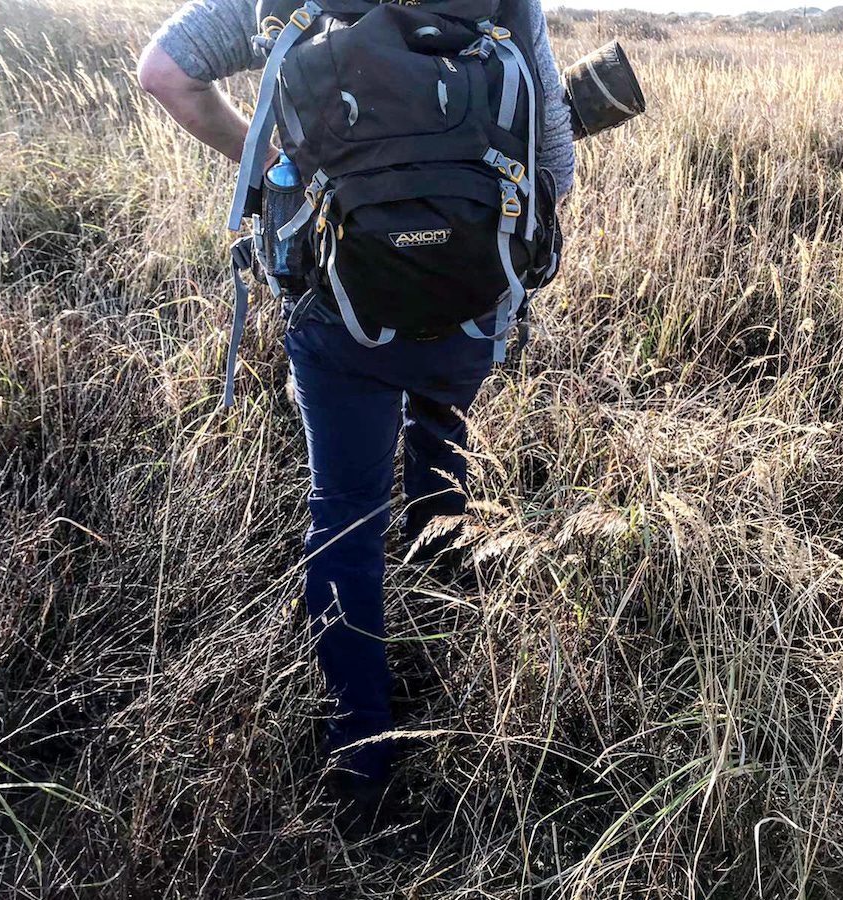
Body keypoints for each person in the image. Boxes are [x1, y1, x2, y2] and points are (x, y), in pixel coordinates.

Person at [137, 0, 575, 813]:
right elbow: (551, 146)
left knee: (343, 514)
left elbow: (164, 72)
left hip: (337, 311)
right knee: (442, 421)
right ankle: (443, 593)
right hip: (471, 307)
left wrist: (274, 164)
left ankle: (362, 758)